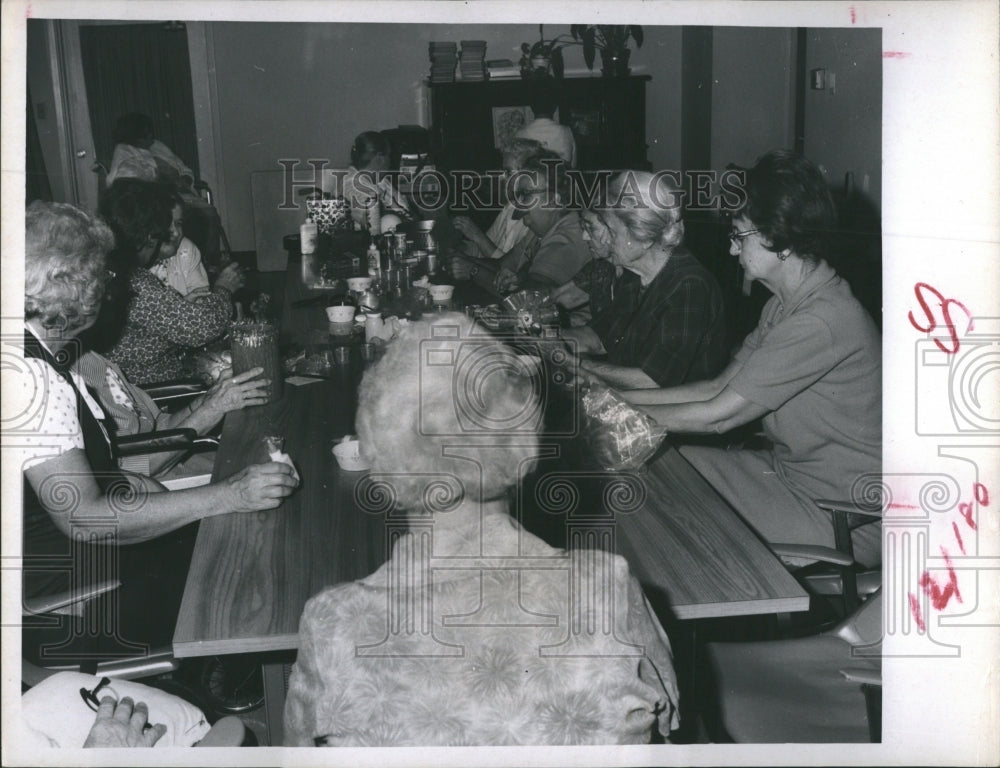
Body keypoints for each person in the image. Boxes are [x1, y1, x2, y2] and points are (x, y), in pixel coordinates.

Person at [283, 315, 679, 746]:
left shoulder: (332, 626)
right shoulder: (610, 592)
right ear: (525, 440)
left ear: (378, 463)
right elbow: (668, 726)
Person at [17, 201, 298, 665]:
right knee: (254, 558)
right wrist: (228, 496)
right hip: (76, 600)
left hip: (80, 567)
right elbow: (84, 519)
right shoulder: (32, 378)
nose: (111, 290)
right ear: (77, 290)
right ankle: (241, 674)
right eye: (105, 279)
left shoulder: (36, 354)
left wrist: (129, 482)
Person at [623, 151, 882, 567]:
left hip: (841, 513)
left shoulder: (821, 320)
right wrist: (607, 395)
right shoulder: (787, 305)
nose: (731, 249)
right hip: (792, 478)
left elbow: (717, 417)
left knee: (667, 505)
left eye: (739, 235)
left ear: (778, 239)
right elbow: (716, 388)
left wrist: (612, 411)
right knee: (661, 468)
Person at [560, 171, 728, 390]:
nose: (603, 238)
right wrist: (549, 340)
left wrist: (577, 363)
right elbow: (601, 336)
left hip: (671, 417)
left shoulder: (689, 286)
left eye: (610, 230)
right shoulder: (634, 274)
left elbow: (651, 380)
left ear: (644, 236)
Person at [100, 180, 243, 384]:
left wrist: (183, 304)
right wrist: (224, 288)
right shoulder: (135, 282)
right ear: (149, 235)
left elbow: (156, 323)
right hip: (153, 390)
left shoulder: (113, 269)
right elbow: (201, 329)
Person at [75, 348, 269, 478]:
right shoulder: (59, 381)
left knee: (263, 451)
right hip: (145, 485)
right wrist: (211, 410)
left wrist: (209, 399)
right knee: (263, 472)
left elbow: (159, 425)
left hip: (167, 455)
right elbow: (129, 470)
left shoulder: (86, 355)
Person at [491, 152, 592, 299]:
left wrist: (473, 270)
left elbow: (529, 300)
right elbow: (501, 266)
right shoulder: (538, 230)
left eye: (525, 194)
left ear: (552, 201)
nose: (518, 203)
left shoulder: (567, 238)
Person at [451, 137, 543, 264]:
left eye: (508, 171)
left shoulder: (535, 218)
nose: (502, 177)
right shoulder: (510, 207)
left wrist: (477, 235)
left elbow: (511, 268)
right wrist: (459, 250)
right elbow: (482, 247)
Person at [105, 112, 195, 191]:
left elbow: (185, 170)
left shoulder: (158, 145)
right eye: (146, 133)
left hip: (182, 194)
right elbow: (119, 182)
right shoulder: (123, 150)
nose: (151, 135)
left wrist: (186, 179)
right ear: (135, 136)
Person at [341, 131, 411, 227]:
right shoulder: (355, 187)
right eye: (389, 155)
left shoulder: (381, 181)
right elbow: (373, 228)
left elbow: (406, 212)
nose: (391, 160)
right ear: (380, 158)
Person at [514, 74, 577, 167]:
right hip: (559, 180)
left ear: (531, 107)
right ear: (555, 107)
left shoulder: (520, 134)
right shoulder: (566, 132)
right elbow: (573, 166)